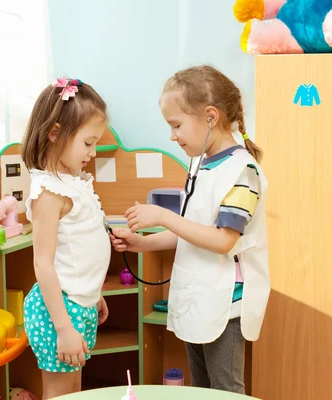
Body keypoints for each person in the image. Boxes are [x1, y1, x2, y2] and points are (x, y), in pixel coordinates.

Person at [110, 65, 270, 393]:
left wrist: (163, 216)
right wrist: (142, 243)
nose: (173, 136)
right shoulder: (202, 165)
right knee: (199, 389)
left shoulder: (242, 171)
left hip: (225, 304)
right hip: (199, 296)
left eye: (177, 125)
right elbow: (193, 230)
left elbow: (224, 240)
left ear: (210, 117)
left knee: (225, 390)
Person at [21, 77, 110, 399]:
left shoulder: (74, 182)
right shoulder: (48, 191)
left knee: (75, 392)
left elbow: (76, 254)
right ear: (55, 133)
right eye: (88, 143)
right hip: (57, 313)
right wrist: (62, 327)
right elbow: (43, 264)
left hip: (77, 305)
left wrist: (93, 293)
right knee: (61, 394)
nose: (94, 151)